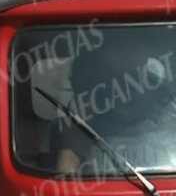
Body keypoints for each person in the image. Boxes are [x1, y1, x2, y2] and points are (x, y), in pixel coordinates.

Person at [55, 39, 176, 175]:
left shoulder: (169, 108)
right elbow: (66, 171)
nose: (127, 87)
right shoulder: (85, 119)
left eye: (134, 77)